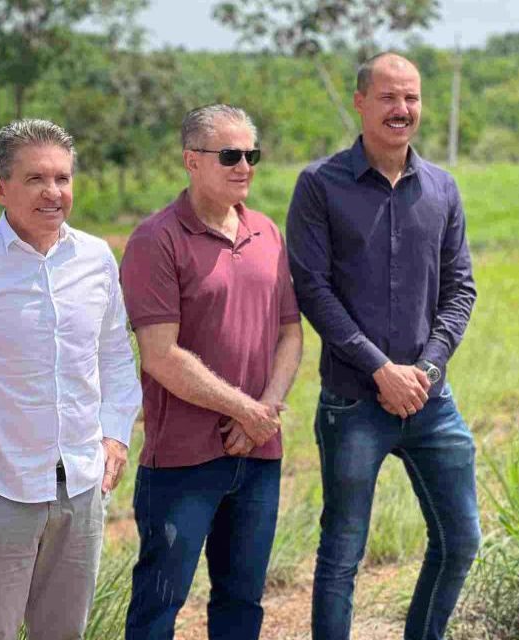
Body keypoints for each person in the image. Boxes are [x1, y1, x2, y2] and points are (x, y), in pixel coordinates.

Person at [286, 53, 481, 640]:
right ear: (361, 103)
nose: (403, 109)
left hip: (431, 401)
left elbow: (460, 289)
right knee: (343, 554)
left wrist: (424, 368)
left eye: (412, 98)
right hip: (353, 404)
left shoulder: (442, 188)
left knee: (461, 539)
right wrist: (380, 371)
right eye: (390, 97)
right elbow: (313, 291)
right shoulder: (320, 185)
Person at [0, 118, 142, 640]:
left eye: (63, 178)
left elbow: (116, 355)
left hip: (83, 485)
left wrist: (115, 433)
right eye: (36, 179)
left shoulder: (95, 258)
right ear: (0, 188)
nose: (54, 192)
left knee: (64, 632)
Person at [120, 104, 304, 639]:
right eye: (230, 155)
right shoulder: (156, 240)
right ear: (191, 161)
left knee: (242, 603)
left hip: (259, 456)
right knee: (160, 603)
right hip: (182, 461)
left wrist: (261, 415)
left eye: (252, 155)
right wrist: (245, 410)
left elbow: (290, 332)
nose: (244, 166)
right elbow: (159, 354)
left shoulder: (267, 232)